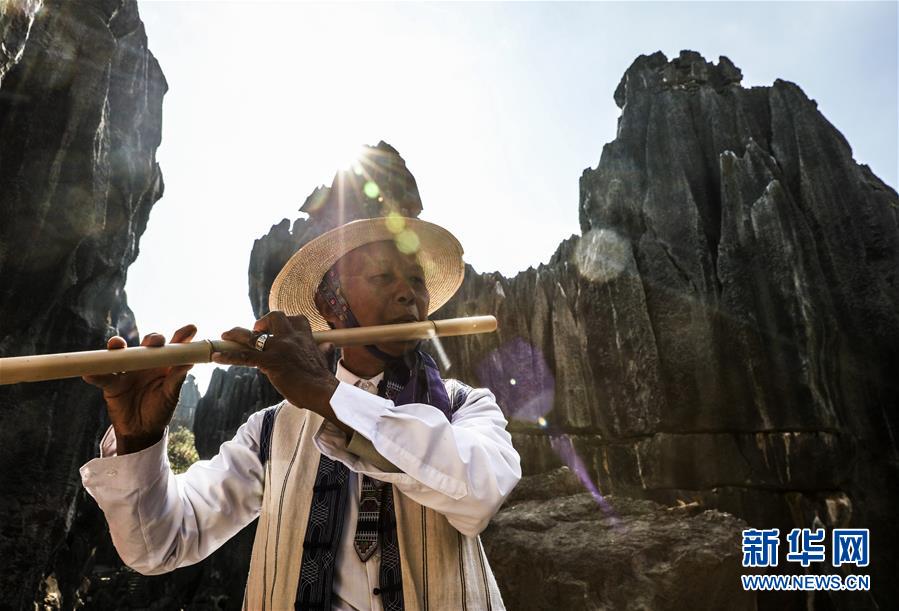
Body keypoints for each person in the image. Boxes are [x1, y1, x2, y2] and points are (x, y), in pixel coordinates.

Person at [80, 216, 522, 610]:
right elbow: (159, 545)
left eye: (416, 280)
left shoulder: (466, 406)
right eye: (383, 276)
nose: (408, 293)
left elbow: (481, 490)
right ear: (331, 304)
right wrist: (139, 439)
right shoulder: (270, 430)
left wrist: (326, 393)